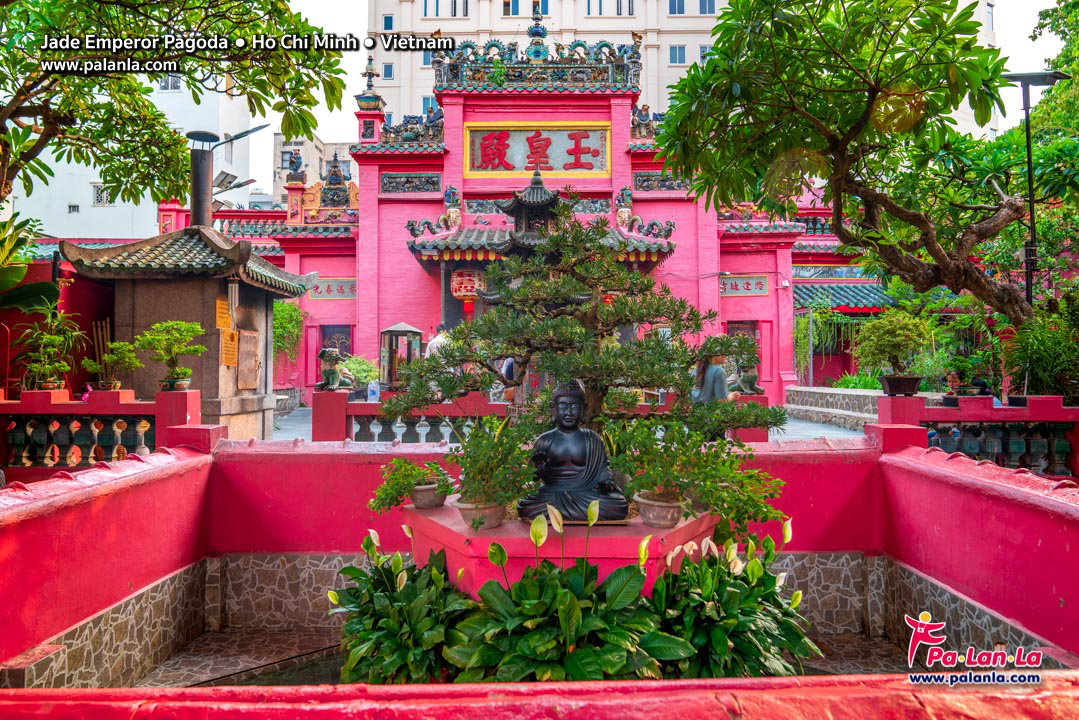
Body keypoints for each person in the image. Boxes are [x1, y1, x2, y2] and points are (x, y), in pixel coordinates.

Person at [516, 381, 628, 522]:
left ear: (584, 409)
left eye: (574, 407)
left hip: (586, 493)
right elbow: (532, 478)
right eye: (563, 406)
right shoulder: (544, 441)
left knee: (619, 504)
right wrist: (539, 470)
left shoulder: (593, 439)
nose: (568, 413)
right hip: (553, 492)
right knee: (524, 504)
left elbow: (602, 470)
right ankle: (578, 513)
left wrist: (606, 482)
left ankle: (558, 514)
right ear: (553, 408)